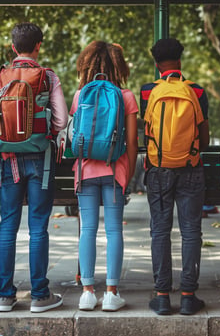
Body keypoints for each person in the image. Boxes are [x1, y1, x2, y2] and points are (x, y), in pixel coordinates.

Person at [0, 23, 68, 313]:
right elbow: (60, 122)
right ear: (38, 46)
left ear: (13, 48)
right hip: (39, 158)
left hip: (7, 159)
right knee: (38, 227)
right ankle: (39, 294)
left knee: (7, 224)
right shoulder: (47, 77)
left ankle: (5, 296)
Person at [139, 38, 210, 315]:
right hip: (191, 167)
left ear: (157, 65)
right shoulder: (196, 90)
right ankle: (189, 296)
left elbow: (146, 132)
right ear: (180, 61)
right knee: (191, 231)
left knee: (160, 230)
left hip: (158, 170)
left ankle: (162, 296)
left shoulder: (147, 91)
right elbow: (203, 136)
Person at [71, 41, 138, 312]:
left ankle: (87, 292)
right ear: (118, 66)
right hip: (115, 171)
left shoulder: (80, 95)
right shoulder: (126, 96)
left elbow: (75, 136)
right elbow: (132, 142)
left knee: (87, 229)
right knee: (114, 231)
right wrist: (129, 172)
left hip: (86, 171)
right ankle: (111, 293)